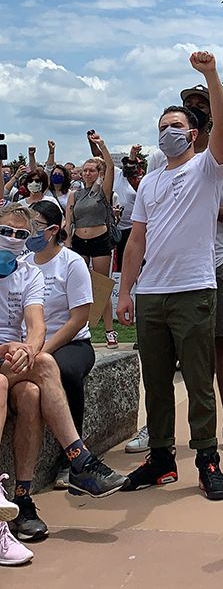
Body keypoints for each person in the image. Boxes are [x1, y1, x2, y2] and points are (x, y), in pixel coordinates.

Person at [117, 51, 223, 500]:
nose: (168, 133)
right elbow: (135, 242)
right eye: (162, 127)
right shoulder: (149, 182)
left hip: (193, 289)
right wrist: (126, 292)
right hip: (151, 294)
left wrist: (211, 75)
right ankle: (162, 458)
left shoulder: (207, 167)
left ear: (194, 133)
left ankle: (206, 457)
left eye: (176, 127)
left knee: (200, 380)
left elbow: (222, 124)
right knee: (157, 381)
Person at [127, 82, 223, 458]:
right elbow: (139, 233)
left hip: (208, 267)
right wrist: (124, 290)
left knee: (218, 346)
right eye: (188, 103)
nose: (169, 133)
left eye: (200, 104)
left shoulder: (220, 160)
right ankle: (160, 436)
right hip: (159, 280)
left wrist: (203, 207)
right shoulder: (155, 169)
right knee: (160, 366)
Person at [0, 203, 125, 564]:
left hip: (14, 360)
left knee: (32, 390)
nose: (12, 239)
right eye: (5, 231)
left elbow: (36, 323)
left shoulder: (29, 272)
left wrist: (29, 348)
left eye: (21, 234)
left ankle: (22, 498)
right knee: (37, 369)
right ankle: (80, 460)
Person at [16, 200, 95, 510]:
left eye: (35, 225)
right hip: (28, 346)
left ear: (52, 230)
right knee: (32, 386)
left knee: (66, 372)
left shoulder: (71, 263)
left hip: (70, 342)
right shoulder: (21, 262)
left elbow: (78, 320)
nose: (27, 232)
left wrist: (41, 351)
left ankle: (70, 460)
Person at [65, 134, 117, 348]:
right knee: (79, 286)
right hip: (79, 241)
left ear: (98, 173)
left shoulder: (102, 192)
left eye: (91, 170)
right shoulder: (75, 194)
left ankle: (109, 331)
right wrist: (67, 242)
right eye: (84, 170)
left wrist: (101, 145)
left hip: (99, 240)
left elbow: (111, 167)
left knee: (101, 286)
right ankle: (79, 329)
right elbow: (69, 221)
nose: (87, 173)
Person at [113, 150, 145, 274]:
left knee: (134, 258)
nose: (130, 167)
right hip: (116, 228)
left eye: (134, 165)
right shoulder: (117, 175)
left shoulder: (141, 181)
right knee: (118, 261)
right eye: (127, 164)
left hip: (133, 227)